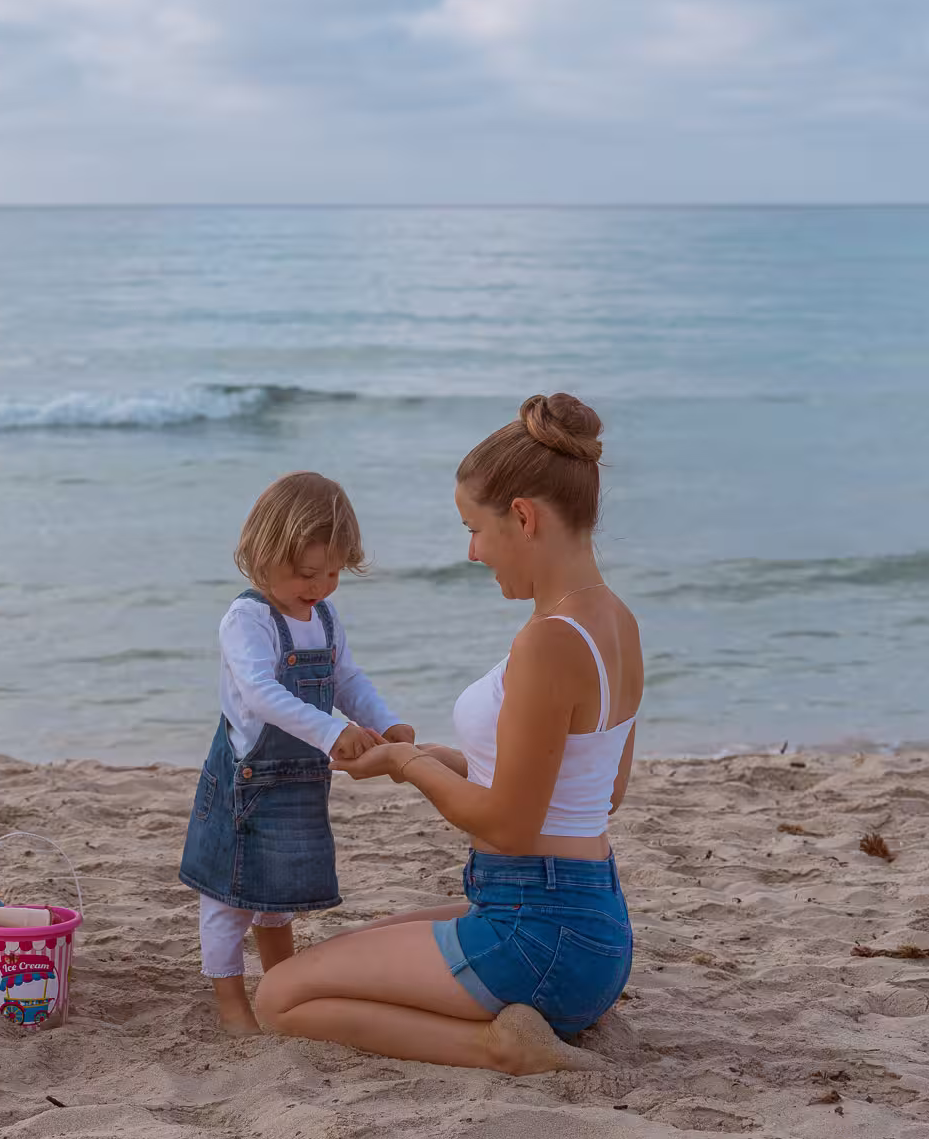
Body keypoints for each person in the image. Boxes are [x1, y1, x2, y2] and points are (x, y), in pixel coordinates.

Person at [254, 394, 640, 1074]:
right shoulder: (616, 622)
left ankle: (497, 1047)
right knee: (340, 956)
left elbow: (513, 828)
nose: (471, 552)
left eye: (475, 529)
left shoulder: (549, 643)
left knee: (281, 997)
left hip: (532, 934)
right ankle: (535, 1016)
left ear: (523, 517)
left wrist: (407, 765)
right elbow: (595, 787)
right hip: (591, 935)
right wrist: (450, 759)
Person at [180, 472, 415, 1034]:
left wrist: (384, 721)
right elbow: (263, 695)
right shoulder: (248, 619)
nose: (320, 586)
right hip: (249, 781)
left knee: (277, 892)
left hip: (299, 780)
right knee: (230, 896)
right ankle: (231, 999)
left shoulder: (325, 617)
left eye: (333, 573)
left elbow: (345, 677)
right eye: (307, 573)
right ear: (263, 555)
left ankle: (280, 982)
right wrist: (333, 733)